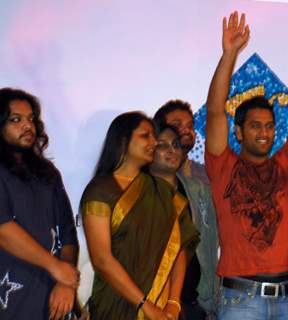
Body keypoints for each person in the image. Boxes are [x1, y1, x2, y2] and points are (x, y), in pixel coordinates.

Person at [204, 11, 288, 319]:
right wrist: (229, 54)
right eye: (255, 126)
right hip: (241, 300)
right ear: (238, 132)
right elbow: (216, 111)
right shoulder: (222, 165)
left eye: (269, 126)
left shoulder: (287, 164)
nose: (264, 133)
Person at [81, 111, 198, 320]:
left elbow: (179, 247)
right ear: (123, 140)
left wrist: (172, 303)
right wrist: (145, 305)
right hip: (116, 305)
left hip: (164, 309)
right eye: (145, 136)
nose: (154, 142)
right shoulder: (100, 190)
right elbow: (101, 258)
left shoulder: (164, 192)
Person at [0, 87, 80, 320]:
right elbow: (3, 229)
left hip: (50, 294)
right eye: (16, 120)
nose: (28, 126)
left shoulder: (48, 173)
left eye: (31, 119)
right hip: (10, 292)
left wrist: (66, 283)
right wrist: (56, 268)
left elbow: (67, 234)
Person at [154, 99, 219, 319]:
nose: (186, 130)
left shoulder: (205, 179)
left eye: (190, 125)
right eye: (177, 123)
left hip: (196, 300)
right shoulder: (145, 183)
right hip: (154, 300)